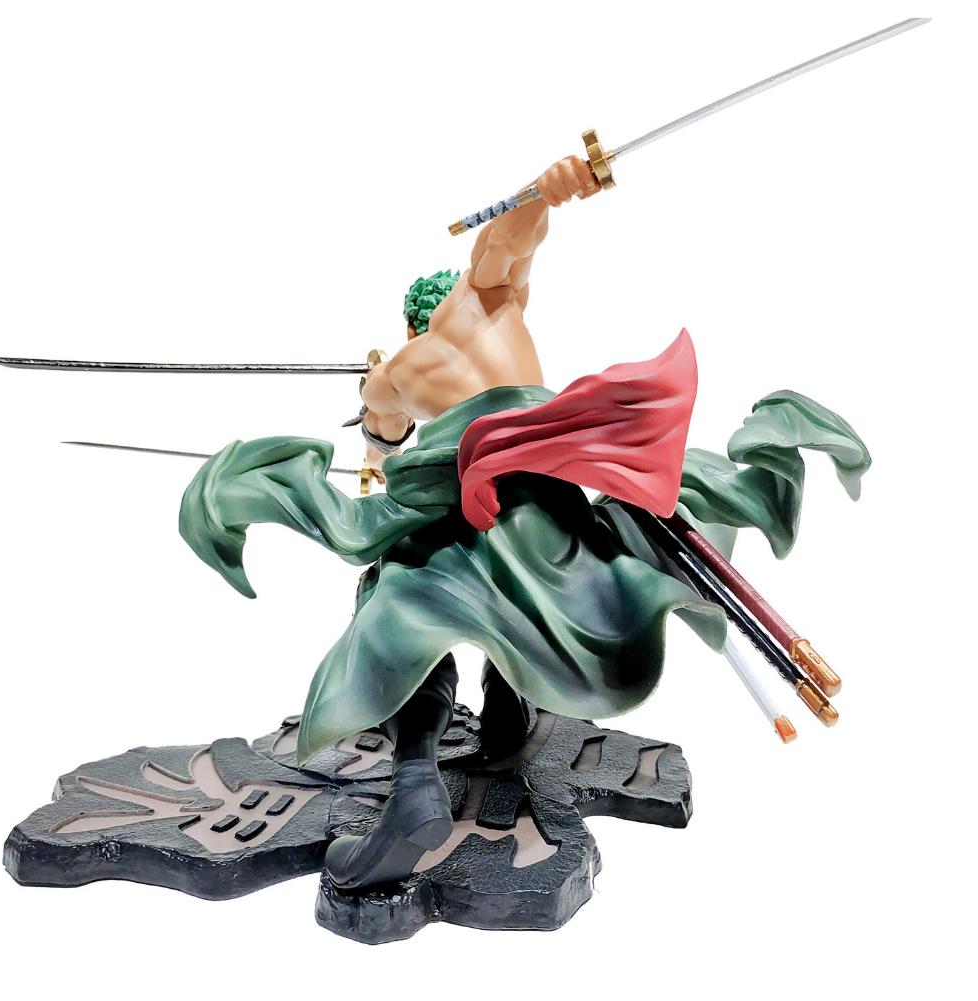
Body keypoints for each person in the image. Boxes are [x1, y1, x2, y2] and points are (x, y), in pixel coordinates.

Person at [178, 157, 870, 889]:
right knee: (563, 571)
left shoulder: (395, 371)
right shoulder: (490, 300)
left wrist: (378, 436)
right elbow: (511, 234)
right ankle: (506, 713)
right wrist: (554, 186)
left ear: (408, 322)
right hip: (546, 493)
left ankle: (417, 786)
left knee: (400, 594)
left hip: (469, 494)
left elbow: (381, 441)